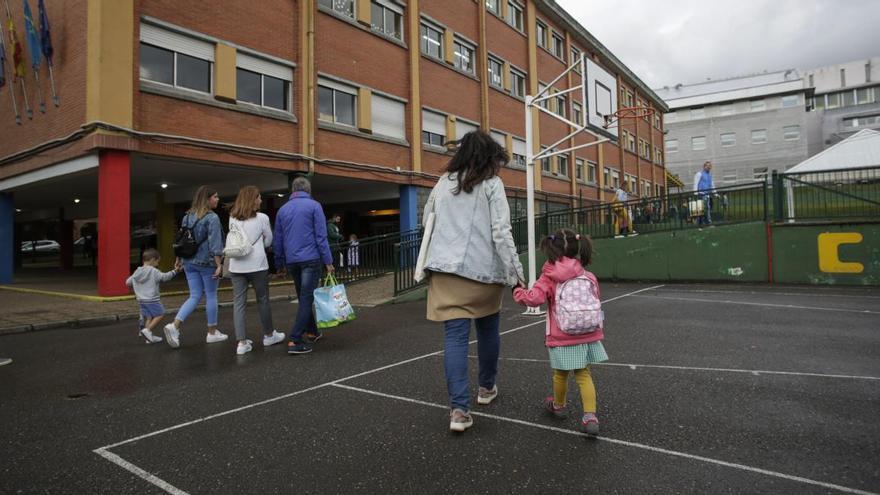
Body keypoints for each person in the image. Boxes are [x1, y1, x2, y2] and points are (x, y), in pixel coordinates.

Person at [421, 130, 524, 433]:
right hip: (482, 272)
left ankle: (458, 411)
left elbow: (428, 220)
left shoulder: (442, 183)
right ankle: (486, 388)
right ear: (491, 156)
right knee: (489, 329)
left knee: (454, 337)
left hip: (444, 270)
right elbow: (501, 232)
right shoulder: (492, 183)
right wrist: (517, 275)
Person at [512, 229, 608, 435]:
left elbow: (533, 299)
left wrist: (516, 291)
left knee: (560, 374)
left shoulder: (549, 276)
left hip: (561, 335)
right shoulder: (587, 274)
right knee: (584, 374)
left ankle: (559, 405)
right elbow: (596, 296)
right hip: (587, 333)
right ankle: (590, 416)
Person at [273, 177, 334, 355]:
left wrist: (279, 263)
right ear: (308, 190)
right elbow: (321, 237)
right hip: (311, 259)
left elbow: (278, 239)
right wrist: (328, 261)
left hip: (292, 261)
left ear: (293, 190)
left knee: (304, 298)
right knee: (307, 299)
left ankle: (312, 332)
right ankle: (295, 339)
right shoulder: (314, 206)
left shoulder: (282, 210)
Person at [163, 186, 227, 348]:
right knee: (211, 295)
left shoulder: (187, 216)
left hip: (189, 262)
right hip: (207, 262)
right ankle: (212, 333)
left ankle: (174, 325)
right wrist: (220, 265)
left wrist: (179, 258)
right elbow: (215, 244)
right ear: (207, 199)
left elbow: (182, 239)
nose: (217, 199)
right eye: (215, 196)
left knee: (194, 296)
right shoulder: (212, 218)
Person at [227, 186, 286, 356]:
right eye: (259, 197)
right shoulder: (262, 218)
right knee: (263, 300)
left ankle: (242, 343)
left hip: (236, 266)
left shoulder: (232, 218)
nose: (261, 200)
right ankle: (268, 335)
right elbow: (269, 241)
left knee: (238, 304)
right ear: (253, 199)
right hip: (258, 265)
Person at [126, 249, 182, 344]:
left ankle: (149, 338)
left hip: (141, 300)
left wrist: (136, 281)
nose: (157, 263)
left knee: (149, 317)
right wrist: (175, 271)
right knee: (160, 314)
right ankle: (147, 331)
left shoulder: (137, 272)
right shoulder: (154, 271)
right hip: (152, 300)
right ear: (152, 260)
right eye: (157, 261)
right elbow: (165, 277)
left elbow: (127, 283)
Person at [692, 161, 716, 225]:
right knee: (700, 208)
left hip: (707, 194)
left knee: (707, 208)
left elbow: (712, 185)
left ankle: (706, 221)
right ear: (704, 166)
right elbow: (696, 183)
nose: (709, 167)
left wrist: (715, 193)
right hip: (701, 194)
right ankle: (701, 222)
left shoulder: (710, 176)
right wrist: (695, 193)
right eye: (707, 166)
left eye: (710, 166)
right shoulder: (699, 174)